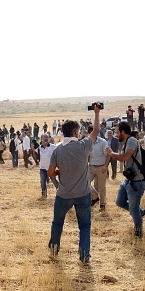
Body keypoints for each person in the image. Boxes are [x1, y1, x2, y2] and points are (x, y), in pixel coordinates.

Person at [48, 105, 101, 264]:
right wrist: (96, 113)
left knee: (58, 223)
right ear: (76, 132)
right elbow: (96, 131)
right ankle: (84, 256)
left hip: (63, 194)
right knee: (84, 226)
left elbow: (50, 173)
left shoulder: (57, 150)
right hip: (83, 194)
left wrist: (60, 172)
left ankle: (54, 250)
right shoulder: (83, 145)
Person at [107, 121, 145, 237]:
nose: (116, 134)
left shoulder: (131, 141)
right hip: (129, 181)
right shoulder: (127, 142)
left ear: (123, 132)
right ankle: (141, 212)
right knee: (119, 201)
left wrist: (111, 154)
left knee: (133, 209)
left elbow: (125, 157)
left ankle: (139, 233)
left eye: (117, 132)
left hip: (136, 182)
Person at [87, 125, 109, 211]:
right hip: (91, 167)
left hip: (101, 167)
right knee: (85, 183)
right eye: (90, 133)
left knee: (102, 187)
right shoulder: (87, 143)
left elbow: (108, 155)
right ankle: (95, 197)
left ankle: (102, 204)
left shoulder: (103, 142)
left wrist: (105, 166)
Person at [38, 133, 58, 198]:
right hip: (42, 168)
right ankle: (44, 195)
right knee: (43, 182)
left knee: (54, 181)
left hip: (50, 168)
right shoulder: (39, 148)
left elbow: (58, 154)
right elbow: (38, 156)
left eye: (47, 138)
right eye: (44, 138)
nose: (46, 139)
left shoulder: (53, 147)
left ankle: (61, 193)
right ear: (42, 139)